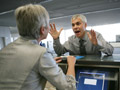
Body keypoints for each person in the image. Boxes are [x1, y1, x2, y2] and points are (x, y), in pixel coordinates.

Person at [0, 4, 76, 90]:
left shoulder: (4, 50)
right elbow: (69, 88)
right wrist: (71, 65)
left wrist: (48, 62)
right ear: (42, 30)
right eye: (48, 24)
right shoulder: (41, 53)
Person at [49, 14, 114, 56]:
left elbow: (110, 50)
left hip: (94, 69)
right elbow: (59, 51)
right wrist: (56, 39)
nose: (75, 27)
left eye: (78, 24)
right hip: (76, 69)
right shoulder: (71, 40)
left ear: (85, 25)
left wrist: (98, 43)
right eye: (73, 25)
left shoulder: (95, 36)